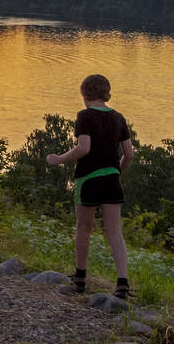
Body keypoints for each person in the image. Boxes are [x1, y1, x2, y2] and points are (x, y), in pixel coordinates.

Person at [47, 73, 133, 298]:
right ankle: (122, 284)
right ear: (106, 94)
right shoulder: (119, 117)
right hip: (112, 180)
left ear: (84, 94)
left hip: (87, 179)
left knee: (84, 229)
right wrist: (116, 172)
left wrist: (58, 159)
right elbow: (129, 154)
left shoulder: (84, 116)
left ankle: (80, 281)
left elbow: (84, 148)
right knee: (115, 232)